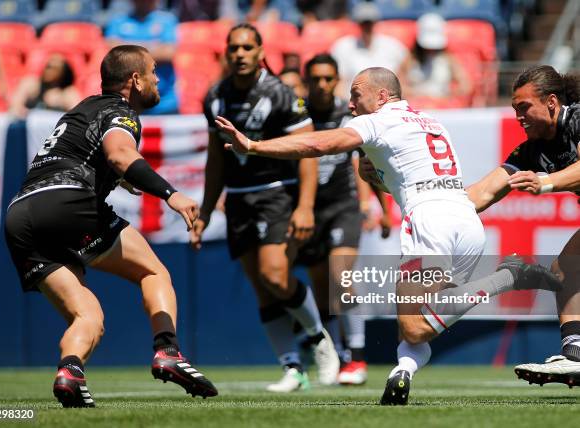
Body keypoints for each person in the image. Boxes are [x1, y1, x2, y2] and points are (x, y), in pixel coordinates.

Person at [215, 66, 561, 404]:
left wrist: (255, 146)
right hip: (465, 219)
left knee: (413, 324)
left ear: (382, 96)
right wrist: (376, 176)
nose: (350, 105)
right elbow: (408, 173)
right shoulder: (431, 122)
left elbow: (321, 144)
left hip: (429, 221)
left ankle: (508, 276)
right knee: (422, 321)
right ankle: (403, 372)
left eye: (356, 96)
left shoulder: (376, 120)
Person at [4, 45, 218, 408]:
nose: (157, 80)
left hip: (20, 215)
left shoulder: (81, 109)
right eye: (152, 72)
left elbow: (79, 156)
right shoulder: (121, 111)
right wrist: (171, 194)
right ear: (135, 80)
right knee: (153, 273)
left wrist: (118, 181)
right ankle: (168, 351)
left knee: (88, 316)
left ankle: (69, 372)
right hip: (67, 203)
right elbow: (120, 154)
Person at [191, 23, 339, 393]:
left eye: (247, 48)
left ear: (260, 52)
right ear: (226, 53)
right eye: (233, 48)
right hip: (239, 198)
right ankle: (292, 367)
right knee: (261, 288)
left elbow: (308, 150)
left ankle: (319, 339)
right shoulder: (215, 97)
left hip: (277, 194)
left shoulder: (282, 93)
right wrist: (206, 210)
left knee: (275, 275)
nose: (239, 54)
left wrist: (305, 206)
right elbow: (215, 161)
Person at [279, 55, 392, 385]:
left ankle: (357, 359)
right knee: (323, 290)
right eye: (316, 79)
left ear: (337, 79)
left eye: (329, 78)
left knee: (340, 277)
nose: (323, 85)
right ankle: (336, 353)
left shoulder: (349, 114)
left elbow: (367, 162)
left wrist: (381, 209)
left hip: (343, 207)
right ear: (307, 81)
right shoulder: (296, 115)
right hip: (308, 210)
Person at [466, 65, 580, 387]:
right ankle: (576, 355)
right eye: (515, 109)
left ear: (552, 103)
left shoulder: (577, 119)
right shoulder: (533, 150)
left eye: (524, 107)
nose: (519, 116)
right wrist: (425, 204)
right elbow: (482, 193)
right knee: (567, 268)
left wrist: (545, 182)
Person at [105, 0, 178, 114]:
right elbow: (113, 52)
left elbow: (168, 53)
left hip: (164, 103)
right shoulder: (118, 21)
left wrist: (127, 47)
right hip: (128, 102)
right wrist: (154, 47)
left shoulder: (167, 20)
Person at [330, 2, 408, 99]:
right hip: (355, 104)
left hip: (387, 104)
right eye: (364, 23)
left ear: (375, 23)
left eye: (369, 23)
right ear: (358, 24)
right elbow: (339, 82)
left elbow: (403, 75)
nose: (367, 27)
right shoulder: (343, 46)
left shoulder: (393, 46)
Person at [398, 13, 471, 108]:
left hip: (443, 106)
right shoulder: (410, 59)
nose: (431, 49)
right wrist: (419, 95)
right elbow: (397, 87)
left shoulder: (448, 58)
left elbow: (466, 85)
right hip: (417, 108)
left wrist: (447, 95)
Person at [9, 53, 82, 118]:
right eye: (48, 66)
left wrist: (59, 103)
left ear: (64, 73)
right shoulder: (31, 84)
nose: (49, 71)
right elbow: (15, 106)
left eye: (55, 69)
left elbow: (77, 116)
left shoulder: (68, 92)